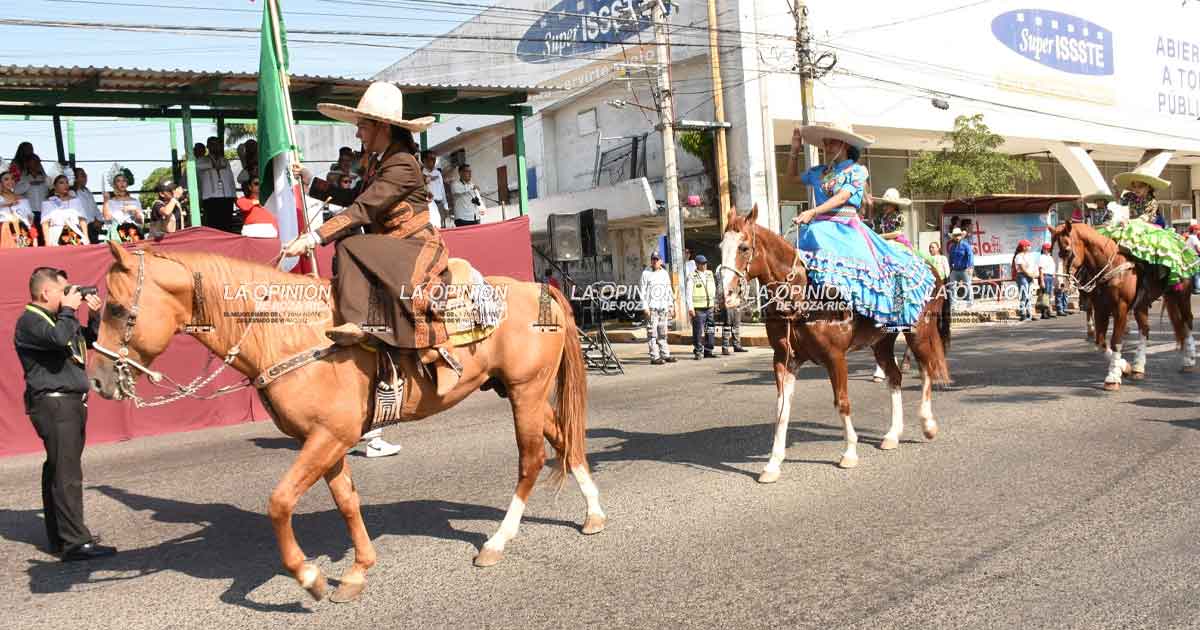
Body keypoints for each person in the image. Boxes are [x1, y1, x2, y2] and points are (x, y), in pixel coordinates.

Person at [281, 81, 462, 398]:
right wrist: (312, 183)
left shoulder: (402, 164)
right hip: (391, 244)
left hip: (414, 246)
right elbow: (354, 197)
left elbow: (363, 209)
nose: (357, 134)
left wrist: (312, 238)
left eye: (362, 126)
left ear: (382, 127)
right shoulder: (381, 162)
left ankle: (432, 349)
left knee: (350, 244)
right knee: (350, 244)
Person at [786, 122, 936, 330]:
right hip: (819, 226)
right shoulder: (820, 171)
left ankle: (875, 315)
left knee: (875, 269)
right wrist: (794, 149)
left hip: (845, 226)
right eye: (825, 141)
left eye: (831, 141)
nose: (826, 145)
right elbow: (791, 178)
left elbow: (842, 197)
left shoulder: (857, 171)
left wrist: (813, 211)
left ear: (844, 144)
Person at [14, 268, 117, 561]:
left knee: (59, 469)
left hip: (67, 403)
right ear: (46, 293)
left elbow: (83, 340)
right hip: (54, 404)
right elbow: (60, 339)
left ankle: (62, 537)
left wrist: (93, 317)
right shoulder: (30, 321)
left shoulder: (55, 320)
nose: (69, 295)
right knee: (67, 473)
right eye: (63, 290)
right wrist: (70, 310)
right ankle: (75, 542)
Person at [1098, 166, 1199, 290]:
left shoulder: (1152, 201)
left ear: (1148, 187)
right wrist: (1117, 217)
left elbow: (1145, 218)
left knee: (1160, 247)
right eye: (1134, 186)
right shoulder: (1128, 197)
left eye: (1140, 186)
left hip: (1148, 227)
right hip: (1128, 225)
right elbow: (1120, 209)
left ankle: (1158, 277)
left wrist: (1129, 222)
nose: (1136, 189)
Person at [639, 252, 676, 365]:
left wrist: (671, 305)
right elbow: (642, 292)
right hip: (652, 308)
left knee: (663, 333)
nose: (654, 261)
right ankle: (655, 356)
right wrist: (645, 307)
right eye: (653, 259)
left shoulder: (664, 273)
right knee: (652, 334)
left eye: (657, 259)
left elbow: (668, 290)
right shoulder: (646, 273)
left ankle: (665, 354)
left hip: (663, 308)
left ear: (661, 261)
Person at [196, 136, 237, 232]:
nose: (215, 147)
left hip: (226, 196)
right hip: (210, 197)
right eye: (212, 144)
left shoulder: (224, 160)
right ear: (208, 146)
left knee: (227, 224)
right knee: (212, 225)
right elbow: (196, 168)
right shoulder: (202, 160)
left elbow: (231, 178)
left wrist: (234, 195)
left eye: (217, 144)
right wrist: (213, 165)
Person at [41, 175, 88, 246]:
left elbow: (82, 220)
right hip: (55, 237)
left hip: (75, 236)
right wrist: (47, 241)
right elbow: (45, 224)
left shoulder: (76, 201)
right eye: (61, 183)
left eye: (67, 182)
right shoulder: (48, 203)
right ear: (54, 186)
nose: (65, 185)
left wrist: (86, 237)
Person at [687, 254, 717, 360]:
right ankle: (698, 351)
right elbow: (688, 292)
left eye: (705, 263)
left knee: (710, 329)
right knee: (698, 331)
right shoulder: (692, 275)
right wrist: (690, 308)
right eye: (702, 264)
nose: (704, 265)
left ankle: (708, 350)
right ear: (697, 264)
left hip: (710, 307)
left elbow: (713, 288)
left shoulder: (709, 273)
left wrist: (715, 302)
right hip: (698, 308)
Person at [102, 171, 144, 242]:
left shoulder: (135, 201)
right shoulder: (110, 201)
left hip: (133, 232)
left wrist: (135, 210)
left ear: (127, 184)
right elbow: (107, 218)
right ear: (114, 185)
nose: (122, 183)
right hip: (116, 233)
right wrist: (106, 200)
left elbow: (141, 221)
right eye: (118, 181)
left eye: (124, 181)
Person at [0, 170, 36, 248]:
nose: (10, 181)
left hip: (24, 232)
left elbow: (30, 219)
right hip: (5, 233)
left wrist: (30, 217)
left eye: (12, 178)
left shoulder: (22, 199)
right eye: (6, 179)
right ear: (1, 183)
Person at [946, 227, 975, 310]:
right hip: (955, 270)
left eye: (958, 235)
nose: (957, 237)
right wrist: (950, 267)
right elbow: (950, 258)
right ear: (953, 237)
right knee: (952, 287)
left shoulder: (966, 245)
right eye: (955, 235)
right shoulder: (952, 247)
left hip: (965, 269)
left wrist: (970, 267)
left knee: (968, 285)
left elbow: (970, 255)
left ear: (961, 236)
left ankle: (970, 303)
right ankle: (953, 305)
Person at [421, 150, 449, 229]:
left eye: (434, 159)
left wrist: (446, 206)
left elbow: (442, 189)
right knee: (432, 229)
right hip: (428, 206)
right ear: (424, 160)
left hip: (440, 205)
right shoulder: (420, 174)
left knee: (442, 230)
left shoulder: (438, 173)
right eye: (431, 159)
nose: (433, 161)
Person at [72, 168, 101, 242]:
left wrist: (98, 219)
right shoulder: (72, 193)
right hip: (79, 227)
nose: (85, 177)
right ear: (75, 178)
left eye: (85, 175)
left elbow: (94, 208)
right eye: (82, 175)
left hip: (93, 226)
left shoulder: (87, 191)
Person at [1012, 240, 1038, 321]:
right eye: (1028, 245)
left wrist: (1033, 273)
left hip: (1029, 276)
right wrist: (1029, 274)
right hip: (1022, 276)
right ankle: (1022, 313)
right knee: (1024, 295)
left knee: (1029, 295)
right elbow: (1021, 267)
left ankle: (1029, 313)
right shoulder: (1018, 256)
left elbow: (1033, 266)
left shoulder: (1029, 255)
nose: (1030, 247)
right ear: (1024, 247)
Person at [1037, 242, 1060, 319]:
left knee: (1049, 295)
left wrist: (1053, 275)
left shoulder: (1050, 257)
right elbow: (1041, 269)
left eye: (1049, 249)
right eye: (1046, 249)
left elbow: (1052, 267)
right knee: (1045, 295)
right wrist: (1042, 280)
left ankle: (1048, 311)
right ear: (1043, 249)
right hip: (1045, 276)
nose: (1048, 250)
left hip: (1050, 277)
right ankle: (1044, 313)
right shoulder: (1042, 257)